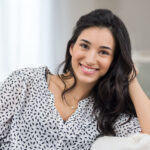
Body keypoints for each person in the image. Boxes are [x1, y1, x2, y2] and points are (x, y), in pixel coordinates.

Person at [0, 9, 150, 150]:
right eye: (84, 46)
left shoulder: (107, 111)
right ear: (72, 48)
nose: (90, 59)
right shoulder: (25, 82)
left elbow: (147, 139)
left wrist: (131, 78)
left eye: (103, 52)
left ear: (114, 60)